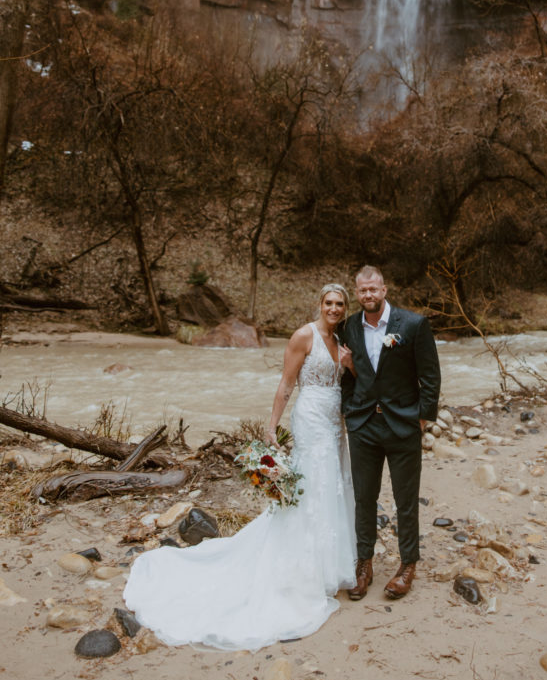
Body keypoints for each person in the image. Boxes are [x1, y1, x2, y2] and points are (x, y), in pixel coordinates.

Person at [123, 284, 357, 650]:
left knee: (332, 487)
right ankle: (301, 570)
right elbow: (286, 383)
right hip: (311, 420)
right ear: (320, 304)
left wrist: (349, 363)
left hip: (334, 422)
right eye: (328, 302)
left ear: (345, 308)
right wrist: (271, 429)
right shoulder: (304, 335)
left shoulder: (340, 340)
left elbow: (349, 377)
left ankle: (328, 567)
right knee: (311, 487)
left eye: (340, 304)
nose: (333, 308)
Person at [340, 265, 440, 600]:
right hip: (364, 427)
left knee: (405, 500)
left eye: (374, 289)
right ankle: (364, 563)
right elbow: (349, 376)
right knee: (363, 499)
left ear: (384, 290)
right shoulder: (349, 327)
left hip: (402, 426)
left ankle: (408, 564)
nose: (368, 295)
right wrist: (348, 411)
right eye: (362, 290)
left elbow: (430, 375)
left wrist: (422, 418)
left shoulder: (412, 325)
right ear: (357, 293)